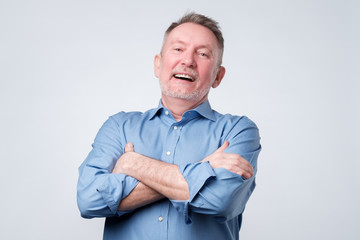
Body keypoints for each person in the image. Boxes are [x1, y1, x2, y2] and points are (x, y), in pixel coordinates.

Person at [77, 12, 261, 240]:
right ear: (158, 64)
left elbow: (220, 200)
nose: (188, 60)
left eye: (203, 53)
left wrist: (134, 164)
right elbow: (88, 200)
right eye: (178, 49)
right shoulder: (119, 127)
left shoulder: (238, 131)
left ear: (218, 76)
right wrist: (204, 167)